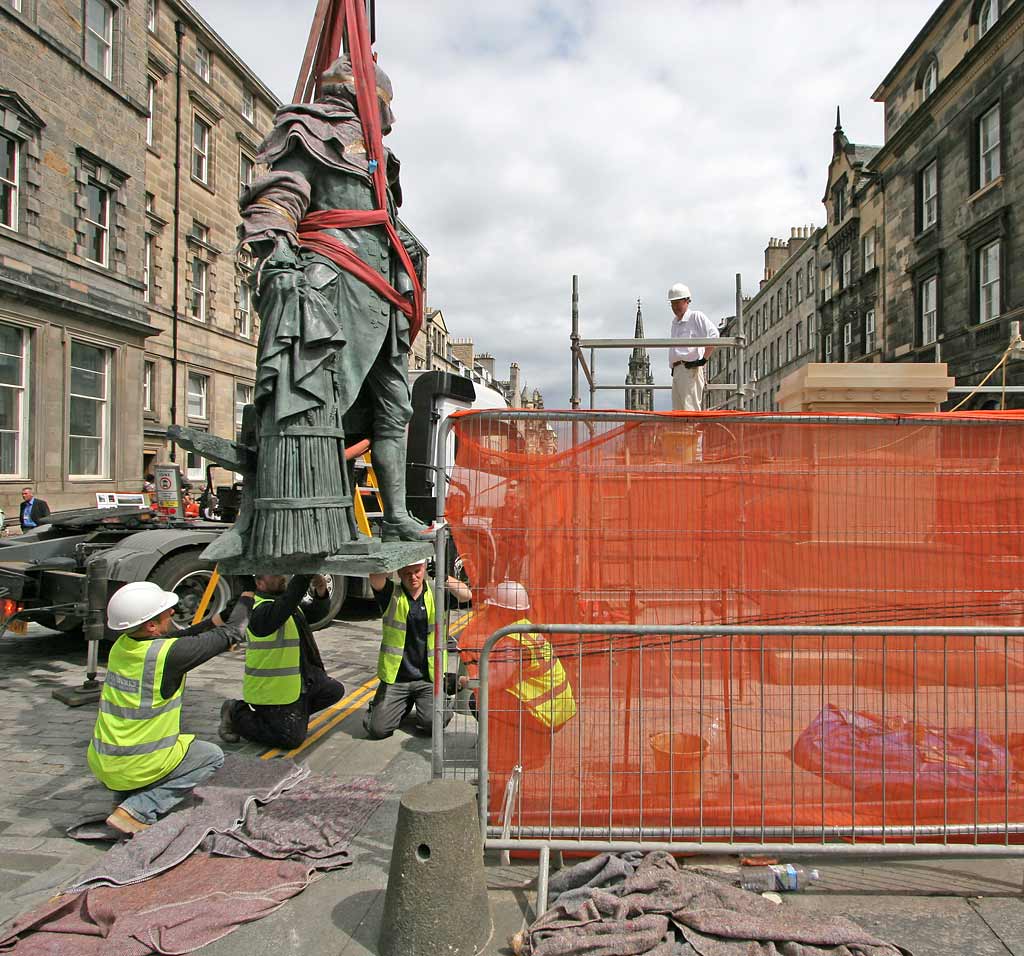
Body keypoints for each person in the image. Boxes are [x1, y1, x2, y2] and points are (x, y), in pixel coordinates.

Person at [233, 53, 430, 562]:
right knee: (321, 402)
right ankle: (299, 512)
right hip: (336, 284)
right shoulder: (308, 129)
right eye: (384, 105)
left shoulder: (379, 156)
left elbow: (381, 222)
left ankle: (396, 514)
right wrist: (275, 241)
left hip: (382, 295)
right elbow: (283, 191)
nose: (386, 116)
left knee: (394, 407)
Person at [87, 581, 253, 835]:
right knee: (212, 757)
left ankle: (126, 793)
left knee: (169, 751)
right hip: (140, 763)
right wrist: (247, 597)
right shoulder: (169, 656)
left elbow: (181, 638)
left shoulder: (123, 646)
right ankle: (138, 809)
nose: (173, 612)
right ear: (151, 625)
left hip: (105, 762)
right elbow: (232, 634)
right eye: (166, 611)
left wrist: (219, 616)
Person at [457, 581, 576, 774]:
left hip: (543, 713)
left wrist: (463, 681)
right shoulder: (524, 628)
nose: (490, 613)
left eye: (494, 608)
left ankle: (513, 757)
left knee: (480, 700)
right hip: (556, 708)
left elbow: (492, 682)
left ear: (502, 611)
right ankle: (531, 749)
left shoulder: (512, 642)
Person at [219, 573, 346, 750]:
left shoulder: (282, 603)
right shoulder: (258, 610)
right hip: (272, 690)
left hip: (298, 681)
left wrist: (321, 590)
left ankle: (292, 717)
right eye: (275, 574)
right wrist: (305, 572)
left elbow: (316, 614)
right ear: (259, 582)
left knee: (333, 690)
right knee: (290, 739)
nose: (282, 577)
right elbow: (285, 604)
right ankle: (235, 713)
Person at [365, 561, 471, 739]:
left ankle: (441, 698)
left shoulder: (435, 593)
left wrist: (444, 577)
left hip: (428, 678)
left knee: (433, 725)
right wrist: (392, 557)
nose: (413, 577)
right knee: (377, 730)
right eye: (407, 573)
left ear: (424, 570)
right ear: (399, 572)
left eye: (417, 571)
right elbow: (375, 577)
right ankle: (395, 705)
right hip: (397, 679)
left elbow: (466, 595)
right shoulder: (391, 594)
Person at [667, 283, 719, 412]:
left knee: (690, 411)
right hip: (678, 370)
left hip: (690, 369)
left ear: (686, 301)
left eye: (678, 303)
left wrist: (703, 360)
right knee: (678, 413)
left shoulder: (695, 316)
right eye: (673, 303)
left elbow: (714, 335)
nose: (675, 307)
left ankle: (694, 433)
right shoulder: (675, 323)